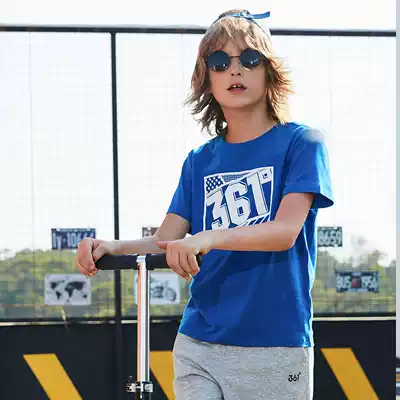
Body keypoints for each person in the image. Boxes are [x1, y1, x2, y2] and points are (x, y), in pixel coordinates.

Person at [76, 9, 334, 400]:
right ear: (206, 78)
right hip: (198, 342)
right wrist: (112, 246)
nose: (235, 69)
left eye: (250, 58)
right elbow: (166, 242)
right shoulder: (199, 160)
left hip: (275, 344)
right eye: (219, 61)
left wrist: (209, 237)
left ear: (270, 71)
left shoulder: (302, 144)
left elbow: (284, 232)